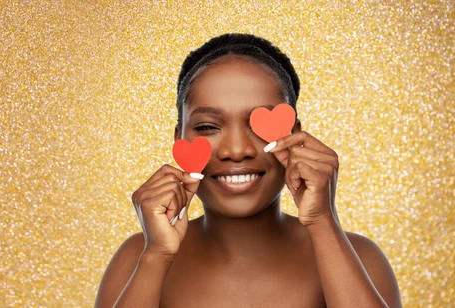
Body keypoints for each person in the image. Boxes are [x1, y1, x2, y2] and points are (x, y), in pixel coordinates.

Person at [95, 33, 401, 308]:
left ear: (295, 137)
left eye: (259, 125)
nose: (237, 150)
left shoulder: (360, 258)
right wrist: (156, 257)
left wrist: (323, 221)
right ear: (179, 141)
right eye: (207, 127)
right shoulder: (137, 258)